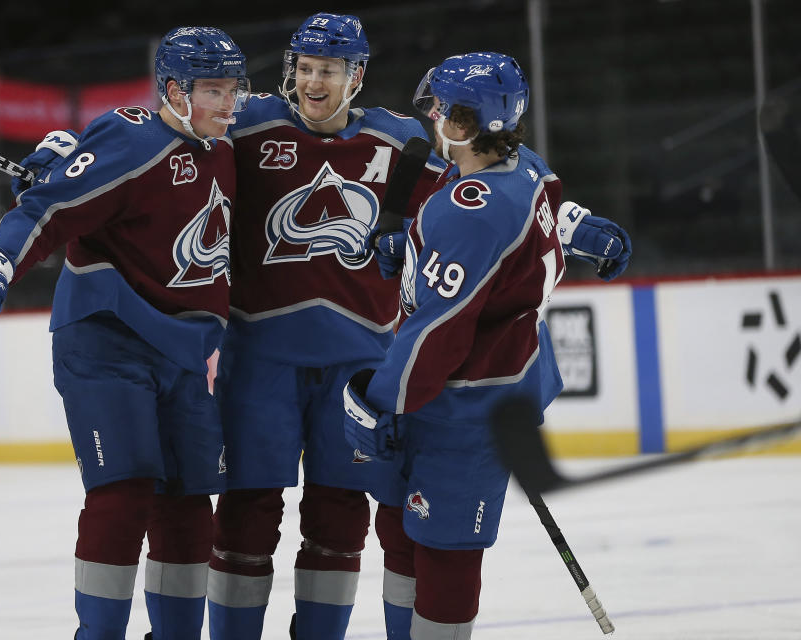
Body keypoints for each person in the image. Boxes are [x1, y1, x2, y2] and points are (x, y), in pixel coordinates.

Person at [207, 12, 630, 640]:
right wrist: (85, 151)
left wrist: (573, 221)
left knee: (342, 515)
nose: (314, 83)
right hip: (262, 358)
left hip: (360, 361)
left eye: (329, 70)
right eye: (305, 69)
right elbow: (170, 140)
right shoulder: (247, 123)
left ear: (357, 76)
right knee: (246, 513)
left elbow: (486, 188)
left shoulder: (402, 139)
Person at [0, 26, 250, 640]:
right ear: (174, 89)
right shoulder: (135, 137)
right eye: (214, 90)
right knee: (126, 487)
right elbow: (49, 211)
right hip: (109, 337)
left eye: (233, 89)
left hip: (186, 352)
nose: (229, 103)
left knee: (191, 502)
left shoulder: (223, 148)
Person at [341, 52, 598, 639]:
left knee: (445, 551)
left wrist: (383, 403)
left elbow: (438, 332)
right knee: (404, 534)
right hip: (482, 386)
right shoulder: (523, 168)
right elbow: (547, 219)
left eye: (444, 108)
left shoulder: (471, 212)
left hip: (461, 403)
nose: (432, 115)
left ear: (470, 123)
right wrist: (412, 255)